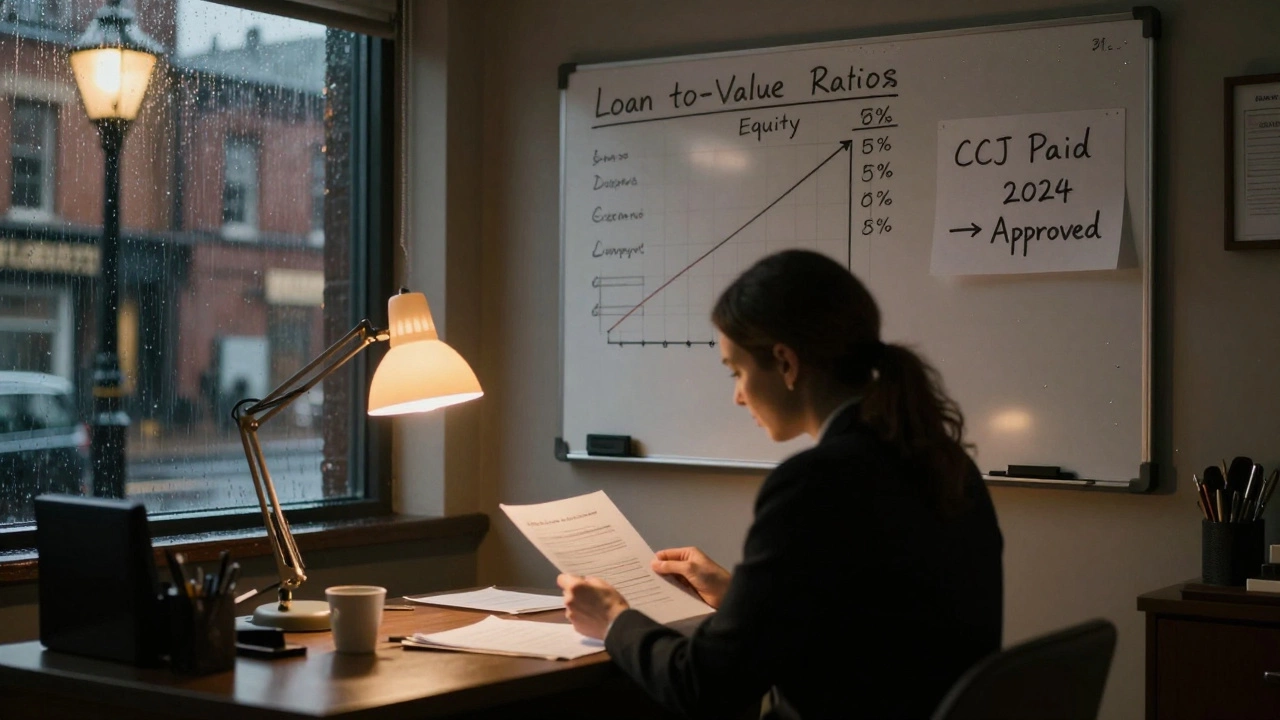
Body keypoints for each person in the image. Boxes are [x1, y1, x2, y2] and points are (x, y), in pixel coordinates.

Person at [557, 249, 1004, 720]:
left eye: (737, 371)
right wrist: (740, 599)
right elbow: (876, 629)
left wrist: (613, 621)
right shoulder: (943, 462)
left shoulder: (816, 483)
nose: (736, 395)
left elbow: (704, 686)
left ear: (786, 363)